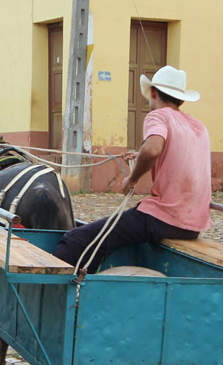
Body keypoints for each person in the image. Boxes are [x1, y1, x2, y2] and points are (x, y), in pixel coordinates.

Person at [52, 65, 210, 272]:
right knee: (106, 234)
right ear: (181, 99)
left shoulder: (159, 116)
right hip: (193, 225)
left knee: (74, 241)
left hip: (164, 217)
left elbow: (153, 149)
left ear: (153, 92)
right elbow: (172, 153)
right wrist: (140, 154)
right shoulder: (198, 126)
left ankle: (61, 294)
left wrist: (132, 179)